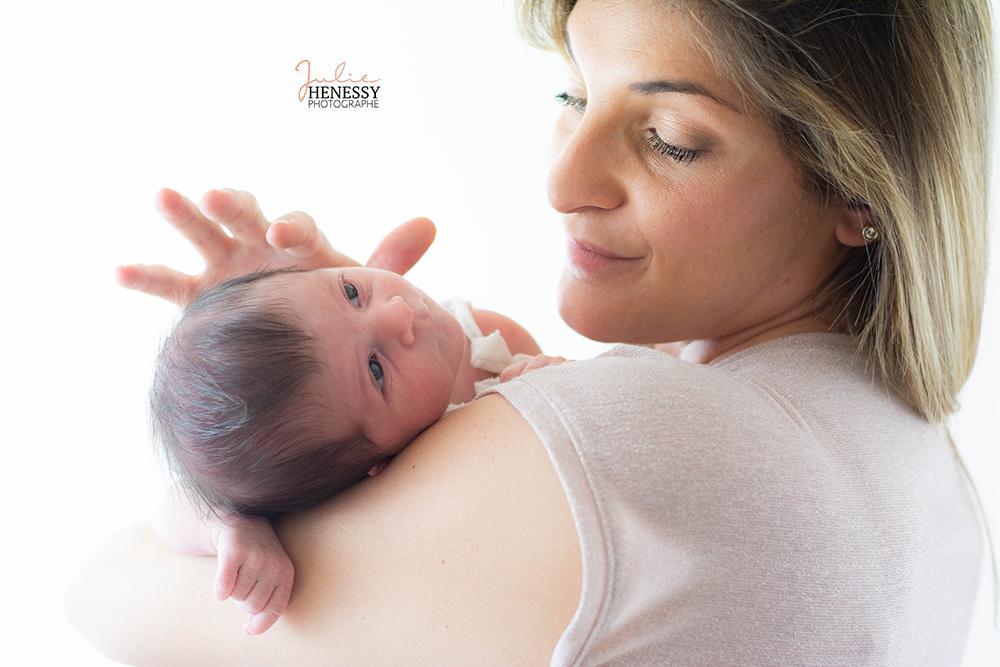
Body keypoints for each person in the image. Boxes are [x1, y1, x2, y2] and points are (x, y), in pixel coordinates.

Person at [64, 0, 996, 664]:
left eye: (670, 136)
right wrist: (313, 355)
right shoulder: (934, 478)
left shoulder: (622, 454)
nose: (561, 184)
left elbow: (105, 595)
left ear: (859, 189)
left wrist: (247, 478)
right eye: (573, 96)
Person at [150, 264, 564, 634]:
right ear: (375, 464)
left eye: (351, 293)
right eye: (376, 370)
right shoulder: (406, 486)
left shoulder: (484, 339)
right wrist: (230, 527)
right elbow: (176, 501)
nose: (399, 311)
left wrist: (555, 378)